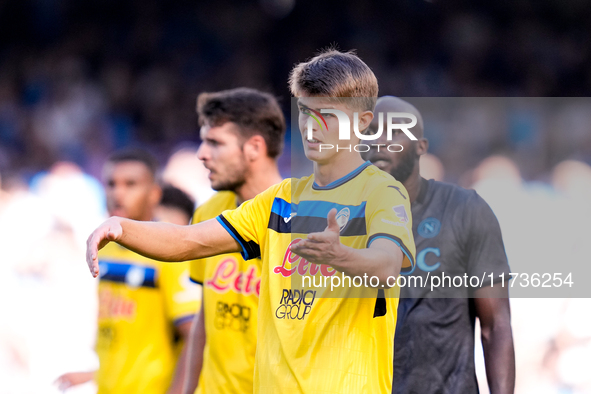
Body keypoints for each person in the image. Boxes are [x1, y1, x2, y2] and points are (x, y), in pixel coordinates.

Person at [85, 49, 416, 393]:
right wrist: (122, 228)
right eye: (305, 112)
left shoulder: (382, 192)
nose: (311, 126)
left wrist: (341, 256)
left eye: (327, 114)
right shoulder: (279, 200)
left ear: (362, 121)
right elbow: (187, 241)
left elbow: (388, 263)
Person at [362, 96, 515, 394]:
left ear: (421, 146)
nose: (378, 141)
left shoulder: (464, 210)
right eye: (368, 132)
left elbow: (495, 325)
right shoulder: (341, 218)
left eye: (393, 132)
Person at [61, 150, 201, 394]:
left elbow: (194, 335)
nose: (118, 193)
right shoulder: (106, 248)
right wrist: (91, 375)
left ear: (154, 193)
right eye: (111, 184)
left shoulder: (169, 251)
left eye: (131, 184)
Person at [182, 87, 285, 394]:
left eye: (215, 142)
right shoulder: (208, 212)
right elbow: (205, 316)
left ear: (254, 147)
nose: (201, 153)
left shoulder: (300, 219)